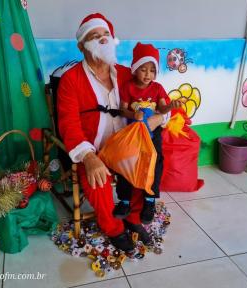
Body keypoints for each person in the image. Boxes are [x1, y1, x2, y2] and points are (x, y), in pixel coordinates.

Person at [57, 13, 169, 251]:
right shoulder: (70, 80)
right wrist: (88, 157)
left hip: (127, 145)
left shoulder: (129, 74)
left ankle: (133, 218)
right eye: (94, 36)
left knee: (148, 161)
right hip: (94, 147)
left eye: (106, 34)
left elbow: (160, 98)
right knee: (96, 177)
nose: (102, 39)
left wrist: (160, 117)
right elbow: (68, 124)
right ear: (81, 46)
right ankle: (113, 229)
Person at [113, 42, 178, 224]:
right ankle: (124, 201)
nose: (148, 74)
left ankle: (149, 201)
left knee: (155, 162)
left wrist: (169, 107)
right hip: (133, 133)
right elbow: (121, 110)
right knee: (126, 163)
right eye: (143, 69)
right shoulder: (127, 87)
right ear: (135, 69)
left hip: (153, 134)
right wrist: (134, 114)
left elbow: (163, 108)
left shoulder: (157, 88)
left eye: (152, 70)